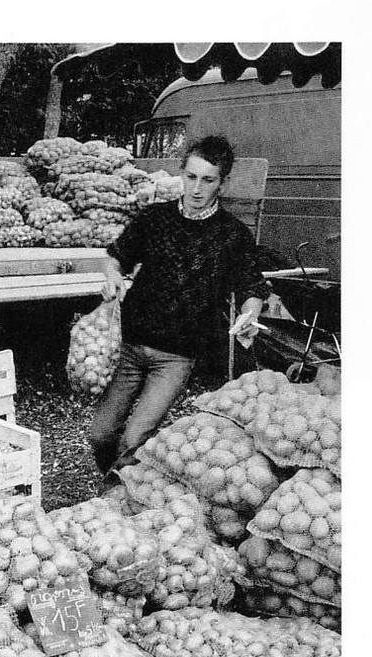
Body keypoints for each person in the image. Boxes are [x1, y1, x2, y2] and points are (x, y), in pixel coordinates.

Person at [91, 134, 271, 478]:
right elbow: (115, 256)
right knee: (100, 433)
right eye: (191, 177)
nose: (197, 188)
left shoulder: (231, 235)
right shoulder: (154, 219)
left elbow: (252, 286)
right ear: (181, 174)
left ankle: (116, 494)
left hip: (176, 357)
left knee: (134, 438)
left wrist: (251, 313)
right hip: (128, 347)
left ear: (223, 182)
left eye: (208, 180)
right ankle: (111, 477)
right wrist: (113, 276)